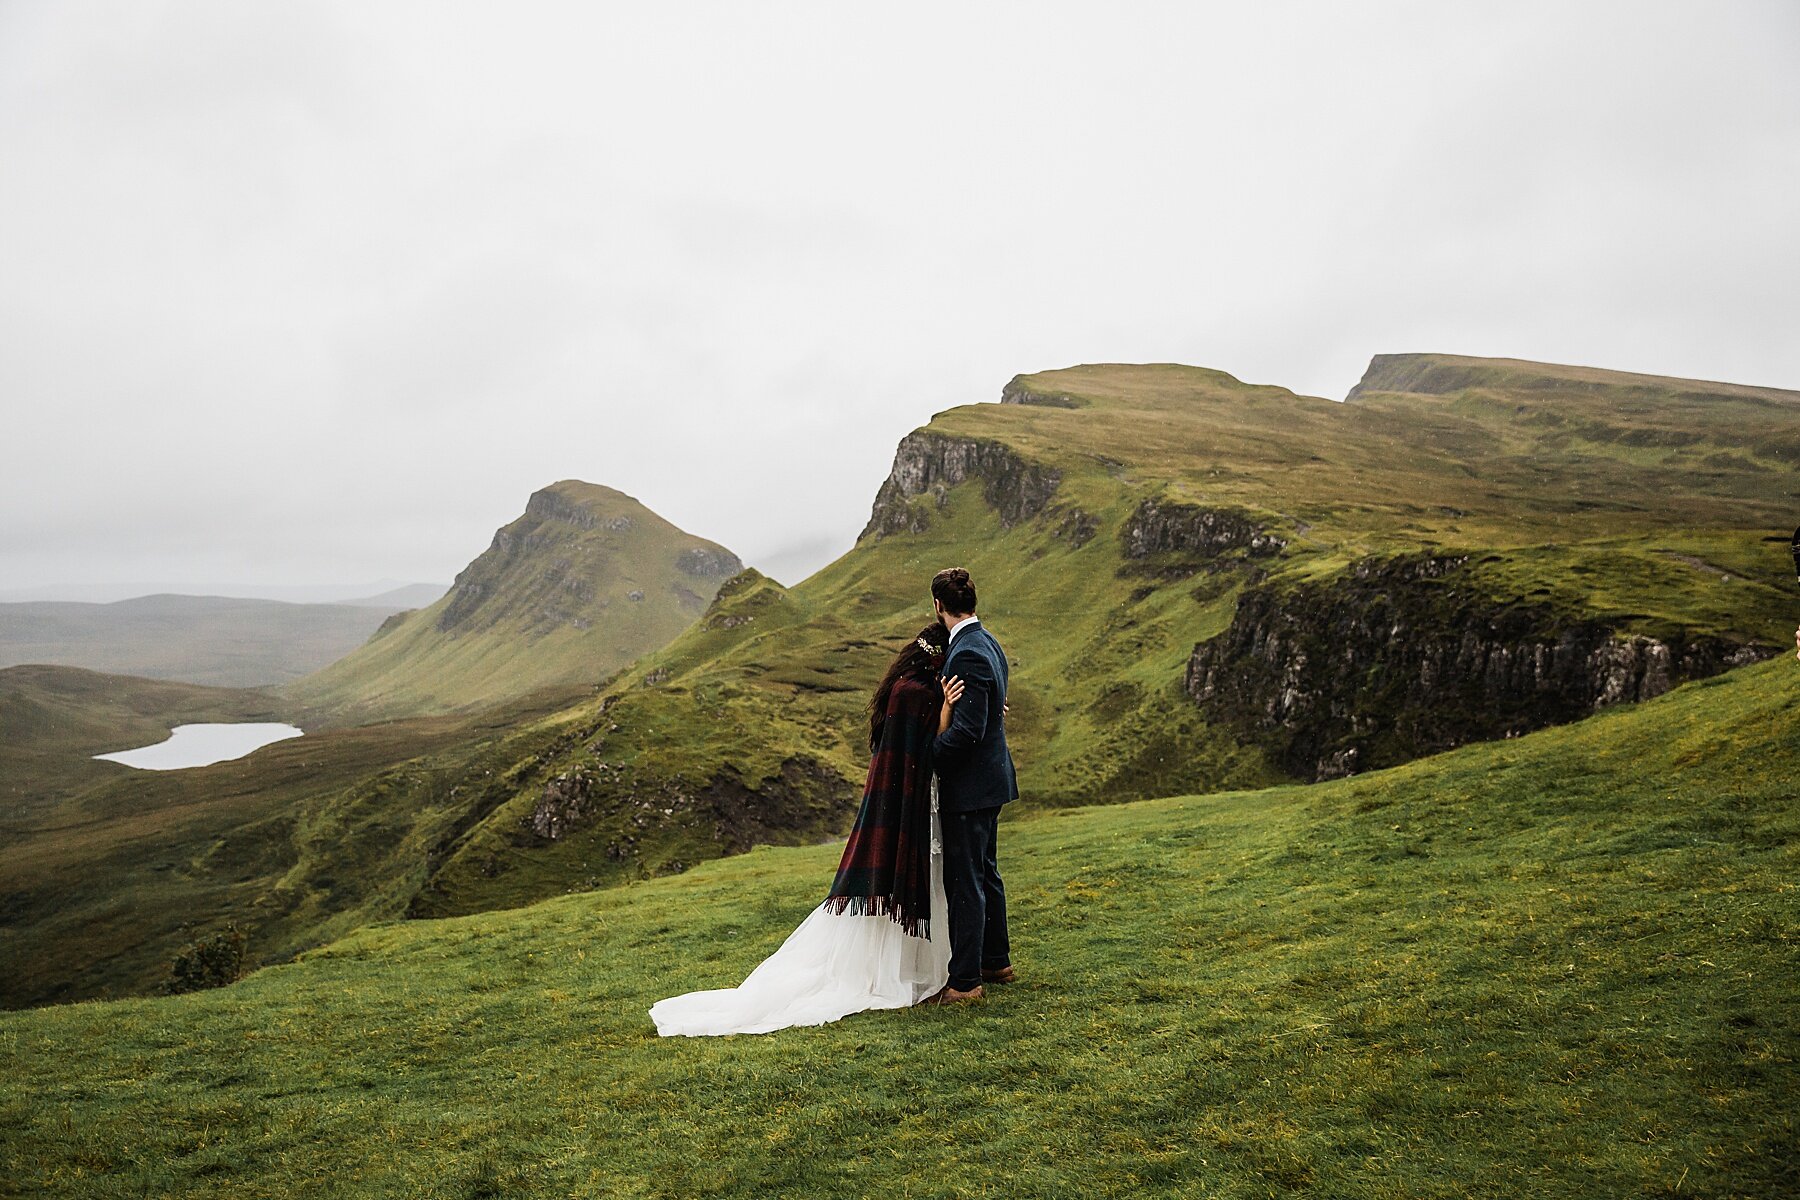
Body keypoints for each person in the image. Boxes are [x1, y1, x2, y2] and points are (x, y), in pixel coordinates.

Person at [648, 624, 965, 1036]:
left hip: (908, 803)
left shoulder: (905, 687)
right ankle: (900, 971)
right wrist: (945, 714)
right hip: (912, 804)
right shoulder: (917, 695)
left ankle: (910, 965)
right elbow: (926, 750)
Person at [922, 566, 1018, 1007]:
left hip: (971, 785)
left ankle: (964, 982)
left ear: (938, 605)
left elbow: (969, 730)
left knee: (966, 880)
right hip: (990, 780)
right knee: (986, 873)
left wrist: (932, 754)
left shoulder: (966, 654)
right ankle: (995, 960)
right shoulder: (989, 642)